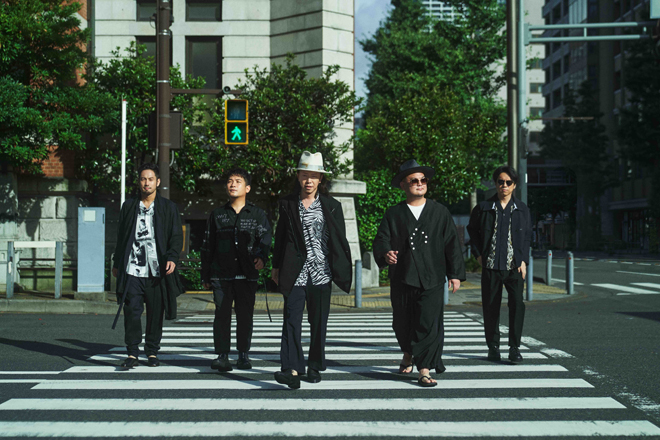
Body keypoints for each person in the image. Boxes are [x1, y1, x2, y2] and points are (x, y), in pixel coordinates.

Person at [372, 160, 465, 387]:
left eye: (423, 180)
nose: (420, 183)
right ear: (403, 185)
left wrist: (454, 274)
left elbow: (452, 243)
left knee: (427, 323)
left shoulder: (440, 212)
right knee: (401, 323)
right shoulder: (394, 213)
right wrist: (385, 254)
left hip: (432, 277)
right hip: (403, 277)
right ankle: (407, 353)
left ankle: (424, 369)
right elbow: (382, 239)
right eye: (414, 180)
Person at [270, 151, 352, 389]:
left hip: (321, 272)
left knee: (318, 322)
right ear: (298, 177)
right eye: (305, 175)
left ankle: (314, 365)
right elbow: (280, 236)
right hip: (294, 272)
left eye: (314, 176)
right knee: (291, 320)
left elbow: (339, 240)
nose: (309, 180)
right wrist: (276, 266)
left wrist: (341, 268)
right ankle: (292, 369)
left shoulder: (332, 206)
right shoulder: (287, 203)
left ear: (320, 179)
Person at [112, 163, 184, 369]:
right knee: (132, 311)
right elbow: (122, 236)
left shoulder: (168, 208)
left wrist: (172, 258)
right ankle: (132, 352)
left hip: (156, 270)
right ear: (139, 182)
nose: (146, 183)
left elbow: (175, 236)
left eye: (150, 179)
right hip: (132, 269)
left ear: (158, 182)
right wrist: (117, 263)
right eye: (143, 179)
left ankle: (152, 352)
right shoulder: (129, 206)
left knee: (155, 313)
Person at [201, 168, 272, 372]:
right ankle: (222, 355)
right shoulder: (217, 215)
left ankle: (243, 354)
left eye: (238, 181)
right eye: (230, 181)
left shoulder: (257, 214)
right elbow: (208, 246)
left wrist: (261, 257)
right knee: (221, 315)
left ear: (247, 188)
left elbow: (265, 238)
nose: (233, 184)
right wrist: (205, 275)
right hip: (221, 275)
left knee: (245, 316)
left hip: (247, 275)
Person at [467, 165, 532, 364]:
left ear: (514, 185)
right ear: (496, 184)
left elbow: (527, 236)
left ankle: (514, 348)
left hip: (514, 267)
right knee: (490, 307)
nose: (504, 185)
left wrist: (524, 260)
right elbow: (472, 231)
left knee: (517, 306)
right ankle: (493, 347)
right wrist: (478, 255)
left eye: (508, 182)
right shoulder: (484, 208)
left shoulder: (522, 209)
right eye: (500, 182)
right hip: (491, 266)